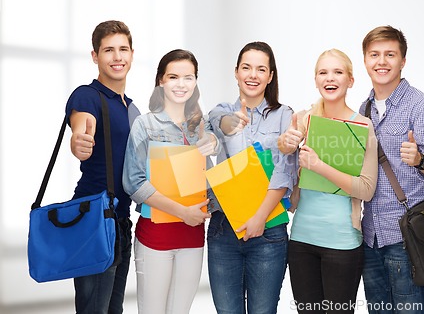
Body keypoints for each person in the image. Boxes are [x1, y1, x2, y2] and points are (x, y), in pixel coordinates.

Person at [277, 49, 378, 313]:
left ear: (351, 81)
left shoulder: (363, 126)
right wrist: (285, 143)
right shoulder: (302, 119)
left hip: (342, 243)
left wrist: (319, 166)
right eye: (323, 72)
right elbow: (283, 156)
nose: (329, 78)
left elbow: (366, 190)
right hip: (301, 241)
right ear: (315, 79)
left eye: (338, 72)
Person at [359, 26, 424, 314]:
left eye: (390, 55)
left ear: (402, 61)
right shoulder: (364, 109)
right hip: (370, 236)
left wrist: (420, 159)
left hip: (405, 237)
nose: (381, 62)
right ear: (365, 60)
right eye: (375, 55)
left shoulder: (420, 105)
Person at [122, 49, 218, 314]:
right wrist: (182, 212)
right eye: (173, 76)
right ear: (161, 81)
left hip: (193, 236)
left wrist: (213, 142)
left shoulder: (200, 125)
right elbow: (134, 183)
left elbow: (207, 176)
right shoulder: (145, 125)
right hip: (156, 236)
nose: (181, 84)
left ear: (196, 81)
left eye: (188, 77)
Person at [207, 41, 296, 314]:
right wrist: (232, 124)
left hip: (268, 232)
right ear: (236, 72)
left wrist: (259, 217)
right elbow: (217, 123)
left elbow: (285, 171)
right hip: (224, 230)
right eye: (246, 68)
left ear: (270, 76)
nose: (253, 75)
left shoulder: (284, 115)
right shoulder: (221, 110)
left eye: (261, 69)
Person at [65, 20, 140, 314]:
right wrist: (79, 141)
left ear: (132, 54)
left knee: (113, 310)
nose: (117, 57)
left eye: (123, 49)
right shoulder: (87, 95)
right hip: (94, 218)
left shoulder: (132, 108)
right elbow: (82, 128)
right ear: (95, 56)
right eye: (108, 50)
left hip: (121, 219)